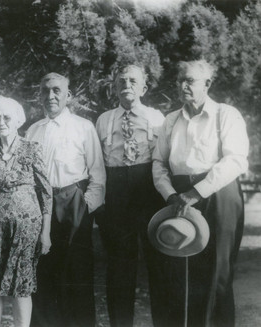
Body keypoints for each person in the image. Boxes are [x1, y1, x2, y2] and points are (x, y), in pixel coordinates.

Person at [152, 59, 249, 327]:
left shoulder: (226, 114)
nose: (183, 85)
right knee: (180, 272)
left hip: (218, 196)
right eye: (180, 79)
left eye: (190, 80)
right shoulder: (171, 120)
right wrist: (170, 194)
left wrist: (197, 192)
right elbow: (159, 164)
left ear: (207, 84)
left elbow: (236, 160)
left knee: (217, 274)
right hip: (178, 198)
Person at [26, 72, 106, 327]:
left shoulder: (83, 127)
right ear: (39, 95)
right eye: (45, 90)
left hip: (74, 204)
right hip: (41, 207)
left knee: (77, 273)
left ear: (68, 95)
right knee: (43, 273)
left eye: (57, 90)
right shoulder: (33, 130)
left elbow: (98, 176)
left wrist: (84, 208)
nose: (51, 96)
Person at [0, 96, 52, 327]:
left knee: (21, 286)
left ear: (17, 120)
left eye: (6, 117)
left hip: (26, 230)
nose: (1, 121)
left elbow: (46, 194)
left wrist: (46, 233)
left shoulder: (32, 149)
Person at [95, 65, 166, 327]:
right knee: (119, 265)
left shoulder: (157, 117)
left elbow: (163, 159)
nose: (127, 84)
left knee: (158, 261)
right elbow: (99, 163)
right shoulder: (104, 120)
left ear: (144, 88)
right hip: (117, 193)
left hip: (148, 191)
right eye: (121, 81)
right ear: (114, 88)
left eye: (133, 81)